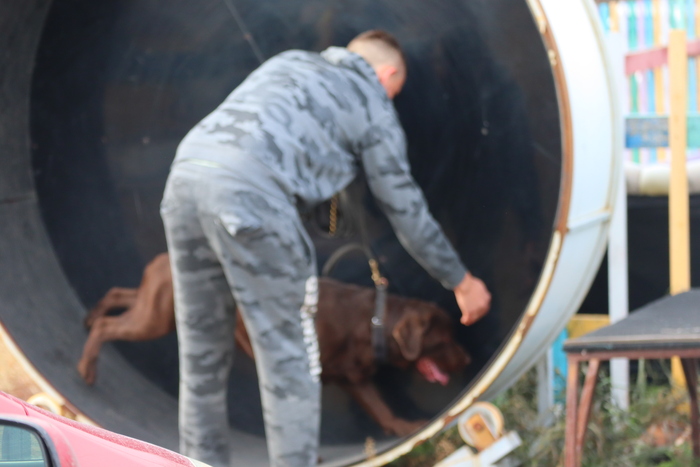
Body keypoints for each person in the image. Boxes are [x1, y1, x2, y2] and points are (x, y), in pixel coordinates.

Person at [160, 30, 491, 467]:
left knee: (200, 352)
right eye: (394, 92)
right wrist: (460, 281)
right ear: (386, 74)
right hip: (252, 197)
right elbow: (405, 211)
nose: (391, 101)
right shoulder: (371, 103)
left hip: (185, 179)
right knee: (289, 360)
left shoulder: (288, 62)